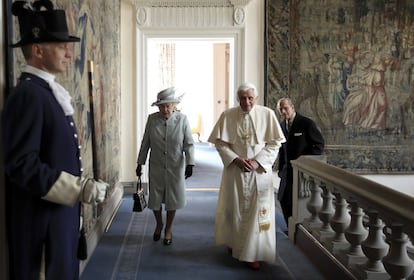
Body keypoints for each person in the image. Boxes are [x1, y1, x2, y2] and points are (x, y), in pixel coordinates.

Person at [2, 1, 108, 279]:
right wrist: (77, 188)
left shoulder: (45, 92)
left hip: (58, 219)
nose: (69, 53)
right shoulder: (28, 95)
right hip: (40, 225)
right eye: (62, 46)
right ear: (38, 50)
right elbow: (20, 164)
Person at [207, 82, 285, 270]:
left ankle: (253, 254)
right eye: (243, 98)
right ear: (238, 98)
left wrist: (257, 161)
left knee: (257, 214)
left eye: (250, 98)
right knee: (233, 209)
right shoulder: (228, 115)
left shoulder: (267, 114)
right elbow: (220, 143)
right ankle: (234, 241)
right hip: (236, 171)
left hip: (259, 172)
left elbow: (275, 143)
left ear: (256, 99)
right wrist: (235, 159)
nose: (247, 102)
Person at [136, 87, 195, 246]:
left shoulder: (182, 120)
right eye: (161, 106)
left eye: (168, 106)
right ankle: (159, 224)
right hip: (156, 166)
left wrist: (190, 163)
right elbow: (145, 143)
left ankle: (168, 228)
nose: (164, 109)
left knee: (172, 199)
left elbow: (189, 144)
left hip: (175, 166)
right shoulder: (152, 119)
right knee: (155, 199)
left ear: (174, 105)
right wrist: (139, 162)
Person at [277, 98, 325, 228]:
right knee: (282, 199)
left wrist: (304, 161)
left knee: (296, 202)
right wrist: (280, 168)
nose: (283, 111)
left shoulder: (306, 123)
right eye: (280, 109)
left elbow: (319, 145)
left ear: (292, 107)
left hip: (301, 171)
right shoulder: (281, 126)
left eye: (285, 108)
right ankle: (289, 227)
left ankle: (294, 230)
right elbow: (282, 149)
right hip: (287, 170)